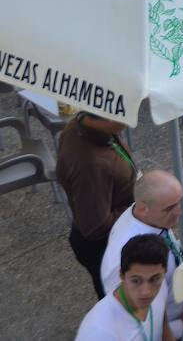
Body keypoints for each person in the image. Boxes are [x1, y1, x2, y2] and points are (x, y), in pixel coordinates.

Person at [57, 112, 137, 299]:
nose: (129, 121)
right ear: (100, 116)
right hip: (104, 248)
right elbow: (95, 227)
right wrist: (137, 207)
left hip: (109, 239)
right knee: (121, 305)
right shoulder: (91, 165)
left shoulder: (80, 125)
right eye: (121, 116)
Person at [98, 169, 183, 305]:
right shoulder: (121, 257)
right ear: (144, 209)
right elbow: (129, 310)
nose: (179, 212)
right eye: (170, 208)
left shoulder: (150, 216)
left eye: (180, 202)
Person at [75, 234, 172, 341]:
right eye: (136, 281)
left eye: (154, 279)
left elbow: (162, 320)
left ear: (164, 272)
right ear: (121, 275)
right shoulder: (99, 332)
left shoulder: (161, 285)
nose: (146, 292)